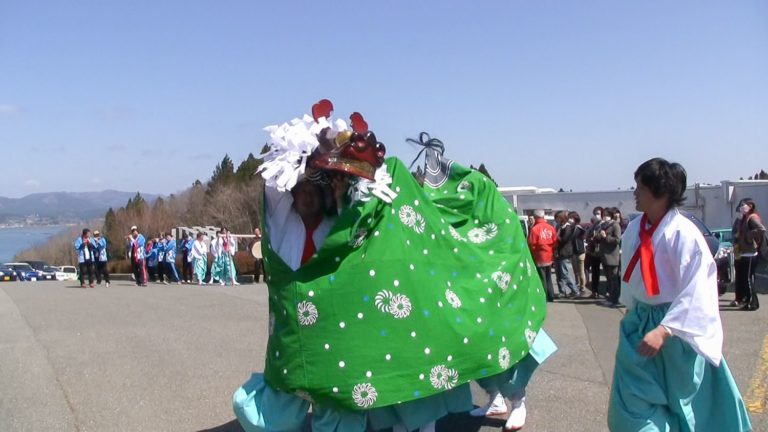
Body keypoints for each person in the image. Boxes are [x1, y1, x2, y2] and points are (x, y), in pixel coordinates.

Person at [232, 103, 552, 432]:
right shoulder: (286, 229)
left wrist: (353, 166)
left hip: (388, 330)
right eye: (301, 189)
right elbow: (275, 192)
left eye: (317, 188)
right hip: (312, 344)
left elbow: (365, 207)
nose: (308, 196)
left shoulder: (346, 227)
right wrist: (307, 146)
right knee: (330, 401)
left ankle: (514, 396)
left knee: (427, 369)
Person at [607, 157, 751, 431]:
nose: (634, 193)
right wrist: (633, 310)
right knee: (630, 404)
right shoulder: (635, 228)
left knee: (686, 404)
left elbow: (699, 288)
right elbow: (632, 275)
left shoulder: (685, 234)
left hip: (675, 329)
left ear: (660, 193)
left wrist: (665, 329)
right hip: (640, 322)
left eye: (640, 187)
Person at [733, 198, 764, 311]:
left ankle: (753, 303)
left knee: (748, 279)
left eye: (743, 205)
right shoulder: (742, 218)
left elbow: (761, 229)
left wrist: (748, 236)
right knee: (742, 277)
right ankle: (745, 299)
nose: (742, 207)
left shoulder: (752, 218)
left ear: (750, 206)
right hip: (741, 252)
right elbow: (735, 231)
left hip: (750, 252)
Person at [528, 209, 557, 302]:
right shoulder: (550, 227)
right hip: (549, 255)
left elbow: (531, 244)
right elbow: (555, 241)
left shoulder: (535, 229)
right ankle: (551, 295)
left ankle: (543, 296)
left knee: (542, 277)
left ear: (535, 217)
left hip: (539, 256)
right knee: (549, 277)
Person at [596, 207, 622, 307]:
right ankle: (610, 298)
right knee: (609, 279)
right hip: (604, 255)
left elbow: (617, 240)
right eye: (603, 215)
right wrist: (598, 236)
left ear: (611, 216)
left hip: (612, 256)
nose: (604, 217)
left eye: (606, 215)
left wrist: (605, 237)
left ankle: (615, 299)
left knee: (614, 279)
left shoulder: (615, 225)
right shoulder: (603, 225)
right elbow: (598, 238)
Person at [554, 210, 580, 298]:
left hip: (565, 253)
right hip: (557, 252)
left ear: (562, 218)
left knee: (565, 273)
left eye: (557, 218)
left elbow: (564, 240)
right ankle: (562, 291)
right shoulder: (558, 226)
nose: (556, 220)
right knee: (558, 273)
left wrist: (556, 236)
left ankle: (575, 290)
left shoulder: (568, 227)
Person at [585, 206, 605, 298]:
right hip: (594, 252)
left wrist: (596, 237)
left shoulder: (604, 224)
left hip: (603, 251)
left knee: (608, 273)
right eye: (595, 213)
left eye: (598, 213)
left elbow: (602, 236)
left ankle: (609, 293)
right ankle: (594, 292)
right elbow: (587, 236)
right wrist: (590, 238)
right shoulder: (593, 225)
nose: (596, 215)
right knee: (595, 272)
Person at [569, 211, 587, 293]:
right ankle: (577, 284)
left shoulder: (579, 228)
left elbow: (583, 236)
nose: (570, 220)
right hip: (573, 252)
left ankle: (582, 286)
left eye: (571, 218)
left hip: (580, 252)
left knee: (581, 271)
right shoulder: (570, 228)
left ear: (575, 219)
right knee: (575, 271)